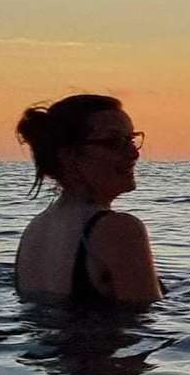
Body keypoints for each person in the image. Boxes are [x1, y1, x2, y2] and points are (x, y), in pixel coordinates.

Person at [13, 94, 162, 304]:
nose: (133, 153)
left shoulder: (35, 230)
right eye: (113, 142)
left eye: (131, 140)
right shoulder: (118, 229)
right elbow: (148, 319)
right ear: (69, 156)